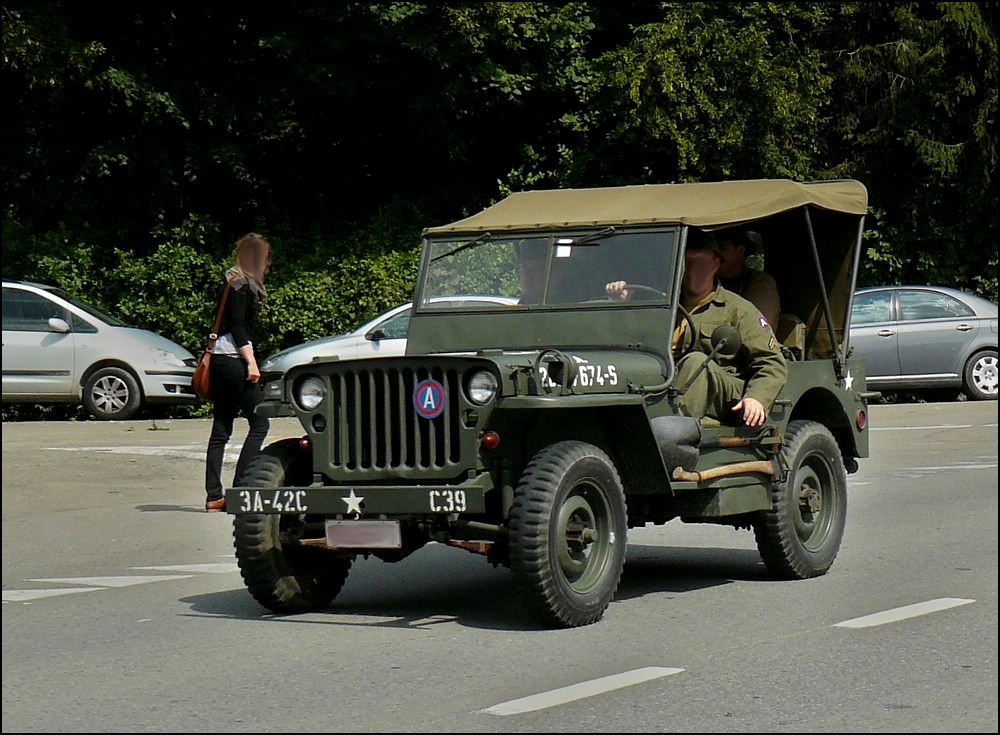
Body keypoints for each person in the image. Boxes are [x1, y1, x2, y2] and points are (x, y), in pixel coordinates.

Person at [606, 231, 787, 427]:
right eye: (685, 261)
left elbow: (771, 363)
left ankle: (673, 429)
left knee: (696, 362)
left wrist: (757, 398)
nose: (692, 269)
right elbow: (627, 348)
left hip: (723, 394)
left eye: (700, 262)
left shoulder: (737, 309)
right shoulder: (661, 306)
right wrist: (621, 304)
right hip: (665, 386)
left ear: (716, 264)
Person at [204, 233, 272, 512]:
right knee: (260, 423)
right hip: (234, 360)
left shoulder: (229, 281)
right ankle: (240, 487)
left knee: (221, 430)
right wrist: (251, 362)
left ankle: (213, 496)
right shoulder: (243, 285)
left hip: (219, 360)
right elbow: (238, 327)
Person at [715, 228, 781, 329]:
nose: (714, 254)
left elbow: (756, 330)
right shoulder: (706, 282)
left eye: (721, 248)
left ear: (741, 250)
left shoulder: (760, 283)